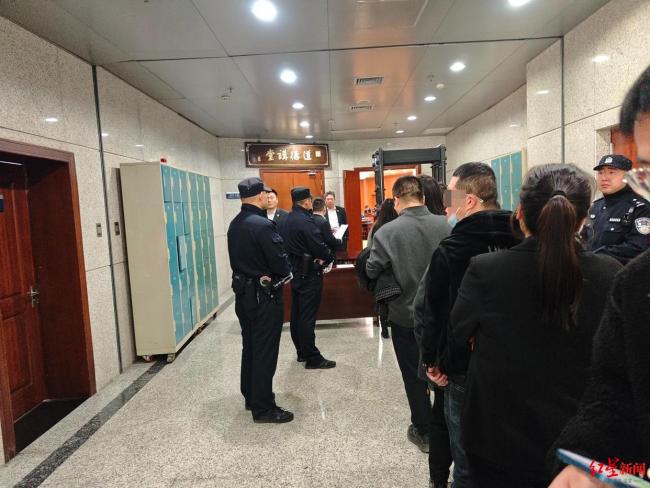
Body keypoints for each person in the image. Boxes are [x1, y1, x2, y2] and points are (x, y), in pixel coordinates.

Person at [444, 164, 621, 487]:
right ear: (583, 220)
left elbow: (456, 339)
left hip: (498, 437)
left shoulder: (487, 270)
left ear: (520, 213)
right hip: (578, 443)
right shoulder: (610, 273)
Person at [549, 65, 650, 488]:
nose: (605, 177)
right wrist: (588, 465)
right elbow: (615, 394)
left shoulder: (635, 212)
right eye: (648, 170)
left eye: (615, 172)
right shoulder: (637, 286)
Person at [419, 162, 521, 488]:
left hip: (464, 367)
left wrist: (433, 361)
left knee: (466, 456)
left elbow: (435, 312)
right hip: (520, 365)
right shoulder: (523, 239)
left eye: (451, 197)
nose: (446, 206)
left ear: (471, 200)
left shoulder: (452, 250)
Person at [366, 176, 451, 453]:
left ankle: (424, 430)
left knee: (413, 374)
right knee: (445, 370)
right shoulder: (446, 225)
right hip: (444, 313)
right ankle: (448, 423)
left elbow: (372, 269)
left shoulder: (386, 232)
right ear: (423, 197)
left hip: (405, 314)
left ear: (396, 201)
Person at [227, 177, 294, 424]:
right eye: (266, 193)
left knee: (251, 347)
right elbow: (280, 263)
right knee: (265, 351)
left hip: (243, 295)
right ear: (259, 196)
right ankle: (264, 408)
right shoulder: (262, 225)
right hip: (263, 296)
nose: (268, 196)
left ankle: (251, 396)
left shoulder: (235, 223)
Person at [279, 187, 336, 369]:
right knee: (307, 317)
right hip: (310, 274)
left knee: (297, 314)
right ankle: (312, 357)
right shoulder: (306, 221)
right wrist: (328, 256)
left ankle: (301, 351)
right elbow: (319, 247)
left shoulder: (286, 219)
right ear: (306, 202)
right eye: (310, 200)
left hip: (295, 273)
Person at [580, 154, 650, 264]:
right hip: (590, 271)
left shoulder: (641, 208)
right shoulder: (595, 207)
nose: (604, 178)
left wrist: (595, 257)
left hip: (620, 272)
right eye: (600, 173)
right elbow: (583, 240)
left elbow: (637, 248)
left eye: (611, 172)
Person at [367, 198, 399, 339]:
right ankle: (395, 322)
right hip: (396, 267)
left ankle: (384, 328)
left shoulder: (376, 227)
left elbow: (369, 247)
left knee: (382, 299)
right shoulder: (398, 227)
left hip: (381, 267)